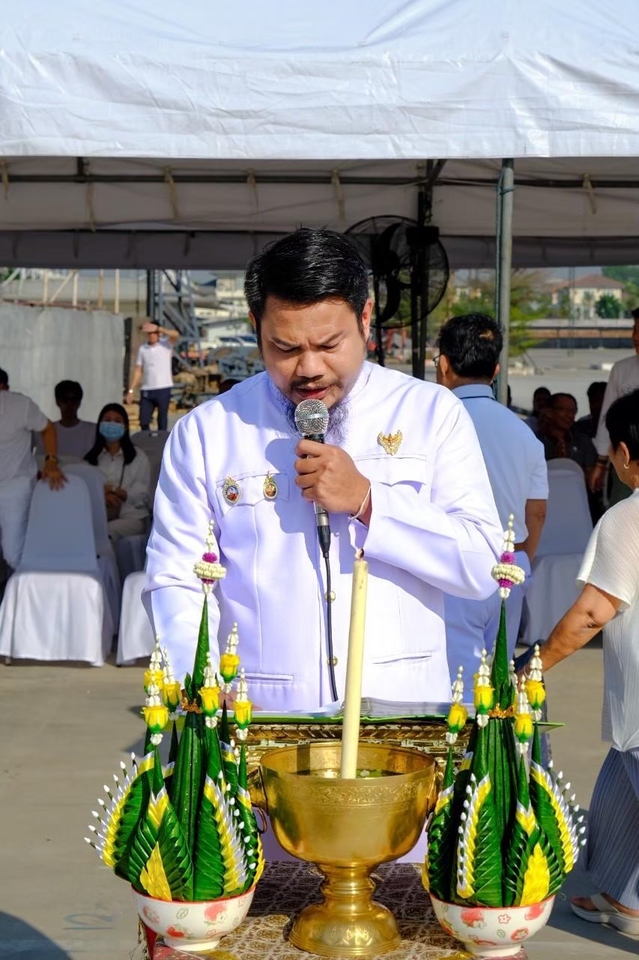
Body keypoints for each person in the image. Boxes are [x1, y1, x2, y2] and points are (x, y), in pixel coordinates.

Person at [144, 228, 503, 711]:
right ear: (256, 325)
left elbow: (483, 565)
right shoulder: (209, 432)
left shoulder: (430, 414)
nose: (308, 368)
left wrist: (370, 502)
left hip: (400, 718)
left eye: (329, 344)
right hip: (262, 716)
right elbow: (176, 576)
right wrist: (201, 678)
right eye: (285, 348)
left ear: (366, 318)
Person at [532, 389, 639, 935]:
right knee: (619, 788)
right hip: (633, 718)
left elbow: (592, 614)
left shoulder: (627, 517)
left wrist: (533, 664)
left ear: (622, 454)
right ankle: (625, 899)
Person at [435, 314, 548, 679]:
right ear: (496, 369)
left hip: (451, 565)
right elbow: (537, 513)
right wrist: (518, 560)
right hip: (509, 563)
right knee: (497, 681)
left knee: (456, 685)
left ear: (443, 365)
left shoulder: (433, 423)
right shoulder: (523, 432)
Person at [0, 367, 66, 571]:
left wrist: (51, 461)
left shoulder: (20, 405)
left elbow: (47, 429)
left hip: (14, 485)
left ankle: (28, 597)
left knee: (13, 553)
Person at [590, 309, 639, 501]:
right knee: (622, 518)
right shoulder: (621, 370)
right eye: (635, 330)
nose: (636, 337)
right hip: (628, 464)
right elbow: (606, 420)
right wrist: (601, 463)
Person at [85, 403, 151, 543]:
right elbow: (84, 489)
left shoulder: (139, 457)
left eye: (117, 421)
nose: (111, 424)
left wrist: (119, 493)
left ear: (125, 426)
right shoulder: (90, 458)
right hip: (97, 515)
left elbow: (144, 492)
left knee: (107, 531)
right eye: (107, 420)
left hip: (132, 517)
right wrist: (102, 494)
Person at [125, 320, 179, 431]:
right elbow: (138, 370)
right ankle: (146, 442)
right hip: (148, 388)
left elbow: (176, 335)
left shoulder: (166, 345)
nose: (151, 336)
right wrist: (131, 390)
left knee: (162, 418)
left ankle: (161, 442)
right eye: (149, 334)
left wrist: (159, 328)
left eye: (153, 333)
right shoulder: (143, 348)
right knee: (144, 419)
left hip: (163, 387)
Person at [537, 393, 597, 478]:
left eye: (573, 411)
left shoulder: (583, 441)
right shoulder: (535, 442)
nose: (570, 415)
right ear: (549, 412)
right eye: (563, 410)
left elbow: (591, 477)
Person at [35, 380, 96, 461]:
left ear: (79, 402)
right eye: (65, 399)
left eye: (73, 400)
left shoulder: (93, 431)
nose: (69, 404)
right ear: (57, 401)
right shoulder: (45, 432)